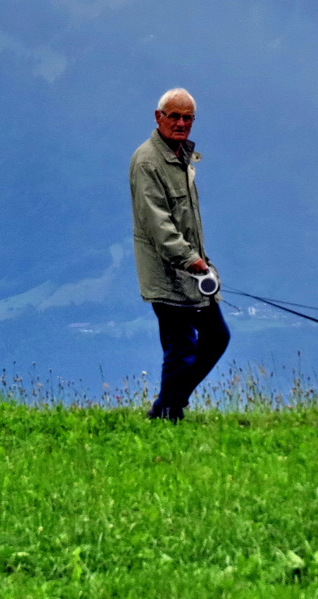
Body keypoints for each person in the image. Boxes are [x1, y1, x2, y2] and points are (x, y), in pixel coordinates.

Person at [129, 87, 230, 420]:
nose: (181, 123)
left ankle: (166, 406)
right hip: (166, 273)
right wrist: (192, 260)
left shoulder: (180, 155)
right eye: (174, 115)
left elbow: (186, 222)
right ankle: (169, 413)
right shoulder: (148, 161)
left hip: (193, 272)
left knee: (215, 336)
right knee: (181, 346)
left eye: (188, 117)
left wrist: (201, 262)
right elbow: (157, 222)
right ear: (158, 117)